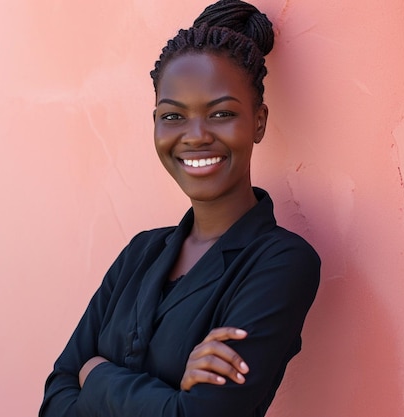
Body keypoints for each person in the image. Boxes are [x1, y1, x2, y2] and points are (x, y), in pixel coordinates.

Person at [39, 1, 320, 416]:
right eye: (173, 116)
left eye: (221, 113)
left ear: (258, 122)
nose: (195, 136)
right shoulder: (139, 253)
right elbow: (55, 401)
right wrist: (169, 398)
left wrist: (96, 374)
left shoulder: (281, 263)